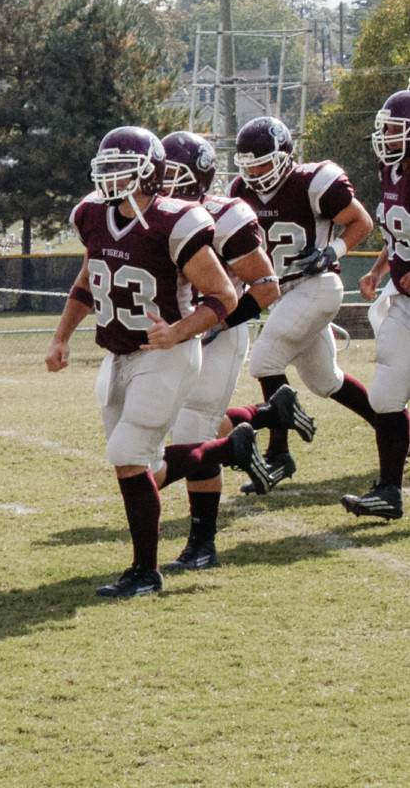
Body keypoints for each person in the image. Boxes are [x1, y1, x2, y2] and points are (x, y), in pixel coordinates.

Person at [47, 127, 246, 599]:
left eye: (123, 167)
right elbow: (87, 279)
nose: (111, 177)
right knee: (137, 463)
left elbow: (225, 295)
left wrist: (177, 331)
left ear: (150, 174)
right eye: (107, 166)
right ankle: (225, 450)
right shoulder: (91, 213)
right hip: (118, 352)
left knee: (128, 455)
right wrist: (61, 336)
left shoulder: (176, 222)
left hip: (167, 354)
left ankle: (145, 571)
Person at [154, 131, 290, 567]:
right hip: (172, 335)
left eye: (172, 173)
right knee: (177, 426)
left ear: (197, 177)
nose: (161, 180)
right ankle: (262, 418)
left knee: (193, 432)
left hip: (217, 333)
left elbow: (267, 288)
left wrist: (218, 323)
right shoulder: (151, 213)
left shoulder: (225, 215)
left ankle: (202, 544)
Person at [228, 115, 376, 485]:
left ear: (284, 157)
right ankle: (396, 427)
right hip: (282, 294)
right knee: (326, 380)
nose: (255, 172)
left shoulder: (313, 182)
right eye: (247, 165)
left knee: (264, 361)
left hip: (317, 285)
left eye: (262, 162)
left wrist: (334, 250)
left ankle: (279, 454)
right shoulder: (239, 191)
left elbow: (362, 222)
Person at [351, 91, 410, 520]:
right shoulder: (390, 170)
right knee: (386, 395)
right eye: (386, 128)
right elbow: (397, 235)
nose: (386, 136)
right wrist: (377, 270)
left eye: (395, 128)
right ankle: (389, 490)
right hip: (404, 300)